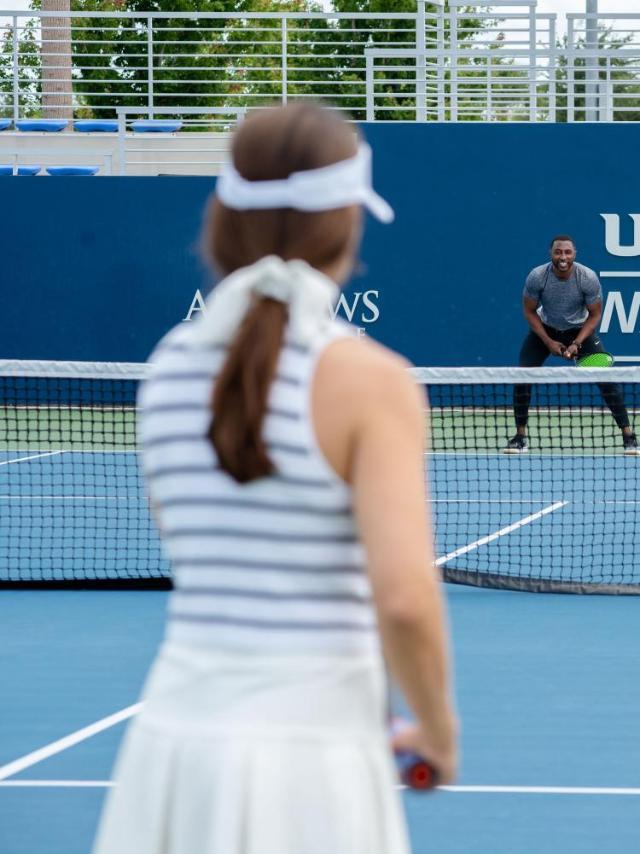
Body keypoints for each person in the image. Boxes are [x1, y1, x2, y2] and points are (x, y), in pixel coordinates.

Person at [94, 104, 458, 854]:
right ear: (347, 224)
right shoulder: (372, 382)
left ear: (222, 218)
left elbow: (191, 545)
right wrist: (438, 730)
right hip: (314, 769)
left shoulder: (164, 370)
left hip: (170, 755)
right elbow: (406, 599)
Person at [505, 235, 640, 455]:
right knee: (522, 377)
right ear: (551, 253)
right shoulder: (537, 277)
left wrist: (577, 342)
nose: (563, 257)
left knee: (606, 380)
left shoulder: (587, 278)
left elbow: (595, 315)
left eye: (567, 252)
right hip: (545, 331)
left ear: (574, 254)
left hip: (580, 331)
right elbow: (529, 311)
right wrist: (548, 342)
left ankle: (628, 436)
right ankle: (520, 437)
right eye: (558, 252)